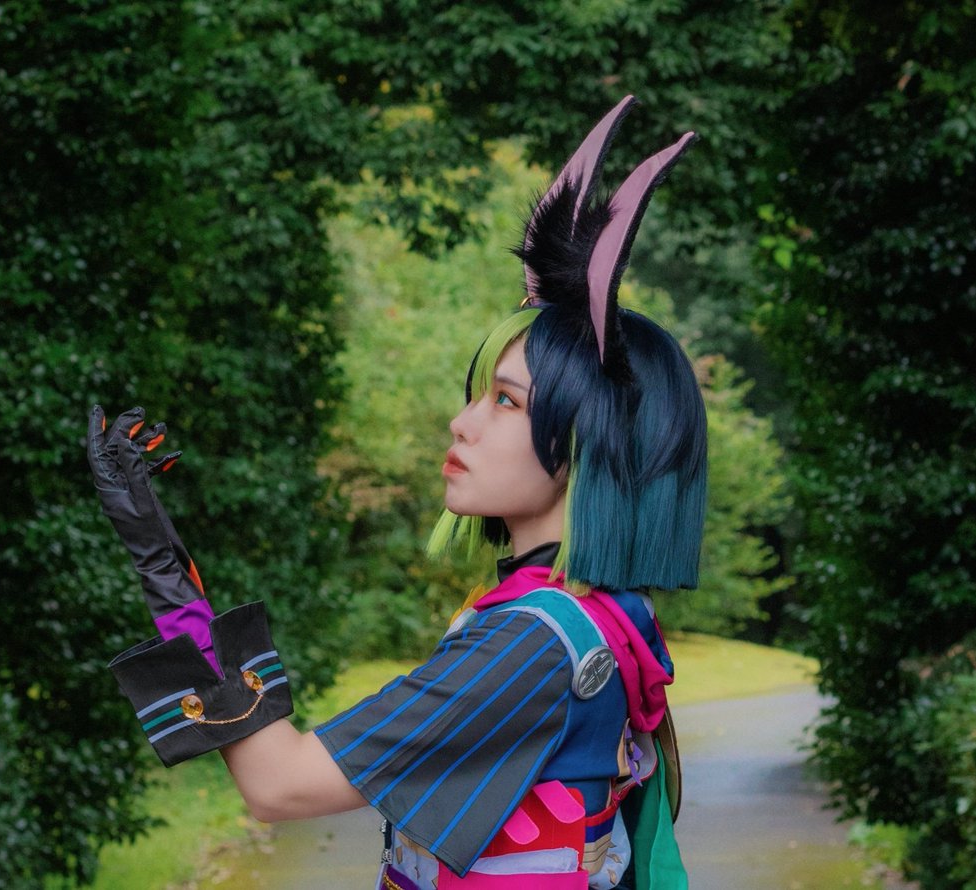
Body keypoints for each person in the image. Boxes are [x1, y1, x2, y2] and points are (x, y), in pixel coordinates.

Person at [88, 95, 707, 890]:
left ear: (590, 443)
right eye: (476, 395)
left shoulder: (530, 645)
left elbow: (279, 784)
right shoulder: (605, 616)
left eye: (506, 402)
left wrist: (158, 562)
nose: (462, 423)